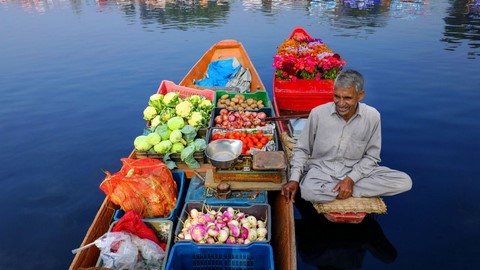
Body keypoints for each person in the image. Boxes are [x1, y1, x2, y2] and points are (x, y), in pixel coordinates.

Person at [281, 69, 412, 209]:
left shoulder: (372, 116)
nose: (341, 103)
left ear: (360, 95)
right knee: (308, 192)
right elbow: (302, 149)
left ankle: (340, 190)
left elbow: (372, 158)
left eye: (347, 98)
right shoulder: (318, 113)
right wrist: (294, 179)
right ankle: (343, 190)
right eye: (337, 96)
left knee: (404, 182)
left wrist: (351, 179)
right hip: (322, 171)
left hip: (356, 172)